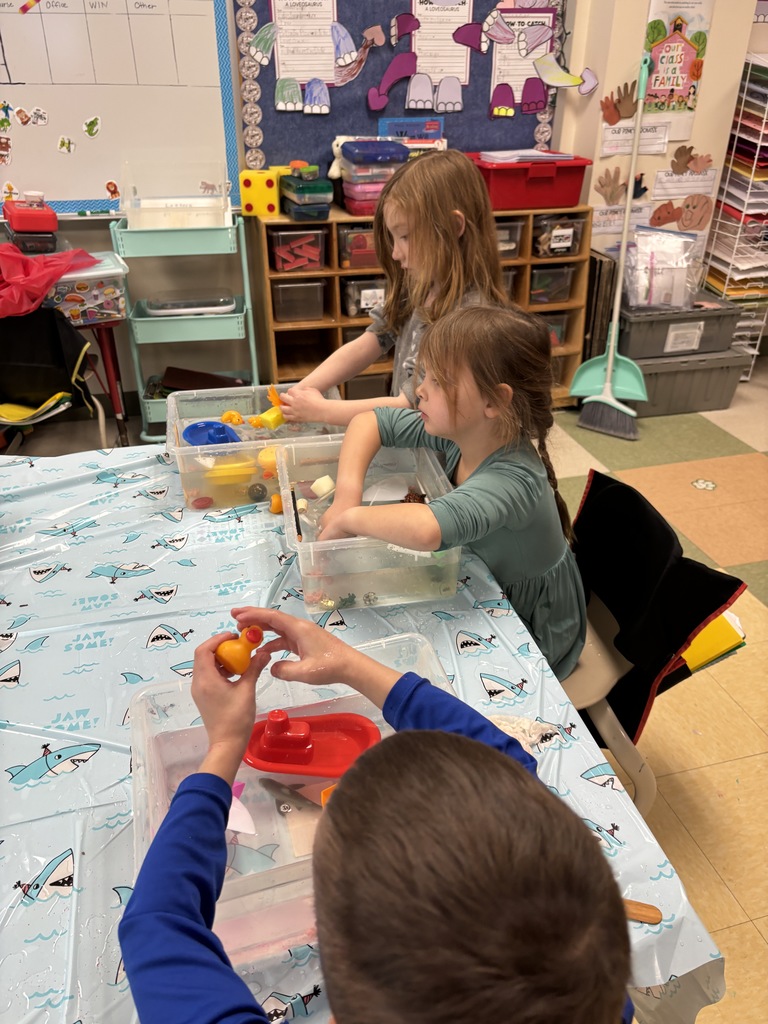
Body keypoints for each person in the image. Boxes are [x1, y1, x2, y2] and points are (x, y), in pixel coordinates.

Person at [119, 607, 633, 1024]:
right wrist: (349, 664)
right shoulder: (593, 996)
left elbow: (157, 922)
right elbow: (507, 768)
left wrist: (224, 745)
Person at [319, 304, 586, 680]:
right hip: (479, 581)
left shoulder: (514, 478)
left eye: (438, 382)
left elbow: (427, 529)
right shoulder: (463, 431)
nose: (419, 390)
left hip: (532, 628)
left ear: (494, 401)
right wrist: (346, 494)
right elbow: (369, 421)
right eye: (424, 375)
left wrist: (349, 518)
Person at [279, 149, 510, 427]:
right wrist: (301, 392)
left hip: (439, 450)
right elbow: (370, 342)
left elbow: (410, 405)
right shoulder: (420, 286)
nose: (395, 253)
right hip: (407, 441)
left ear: (453, 226)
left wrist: (321, 411)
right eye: (393, 238)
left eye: (405, 237)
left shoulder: (470, 317)